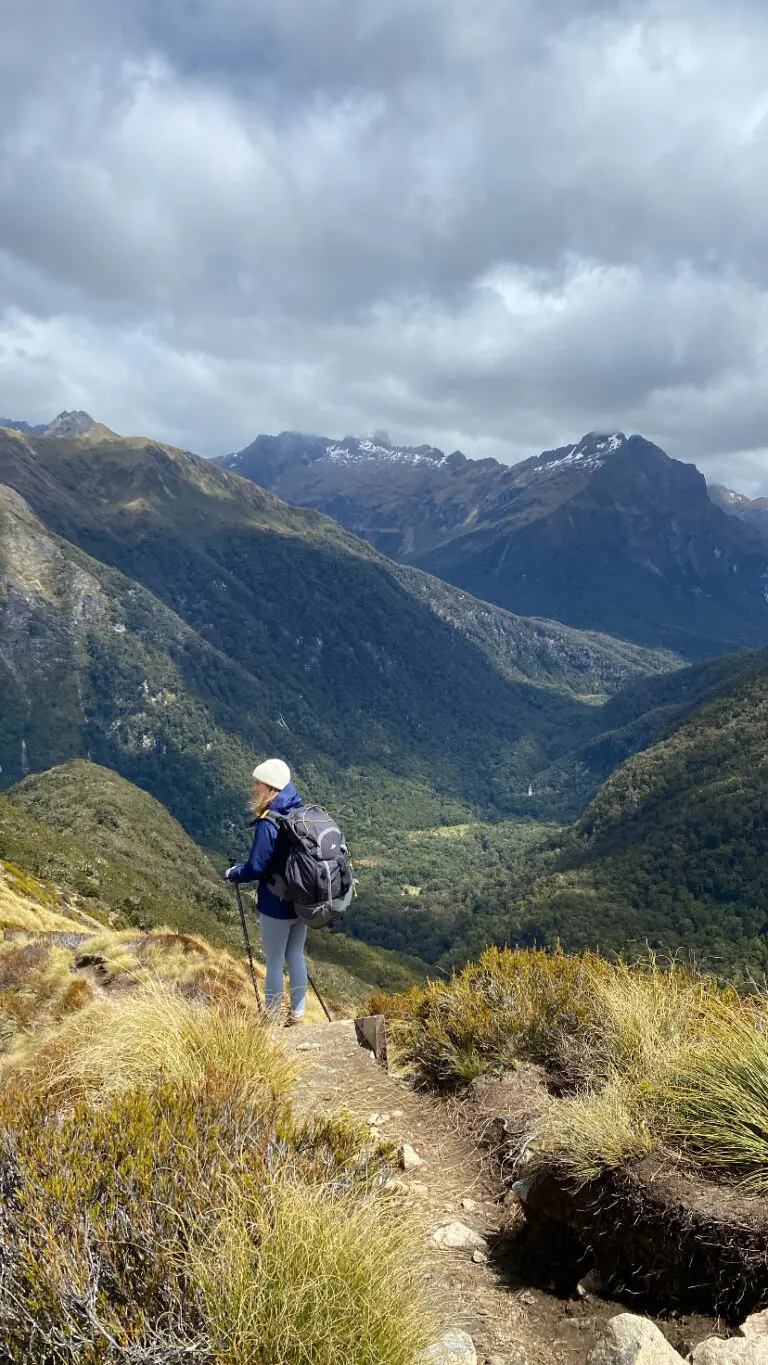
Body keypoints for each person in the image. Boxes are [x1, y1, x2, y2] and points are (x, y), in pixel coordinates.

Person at [225, 758, 308, 1026]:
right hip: (302, 898)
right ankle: (297, 1013)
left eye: (257, 783)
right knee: (295, 954)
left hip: (275, 902)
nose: (254, 788)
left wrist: (234, 873)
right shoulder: (299, 811)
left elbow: (256, 867)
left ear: (270, 787)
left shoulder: (268, 821)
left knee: (273, 962)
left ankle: (271, 1018)